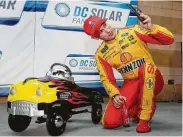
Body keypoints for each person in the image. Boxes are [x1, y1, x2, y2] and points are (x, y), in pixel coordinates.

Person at [83, 13, 174, 133]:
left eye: (105, 24)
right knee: (109, 122)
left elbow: (169, 39)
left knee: (146, 68)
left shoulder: (134, 30)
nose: (107, 30)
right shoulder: (100, 54)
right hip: (131, 83)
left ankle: (144, 120)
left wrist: (151, 28)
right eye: (101, 31)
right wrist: (115, 95)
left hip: (153, 77)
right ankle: (138, 106)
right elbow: (107, 79)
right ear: (96, 37)